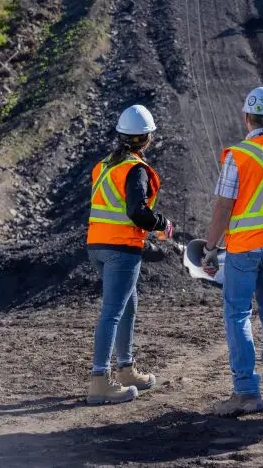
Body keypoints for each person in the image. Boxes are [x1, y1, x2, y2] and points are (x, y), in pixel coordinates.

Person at [203, 87, 263, 417]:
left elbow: (223, 208)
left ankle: (245, 393)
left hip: (245, 249)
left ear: (246, 119)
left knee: (238, 315)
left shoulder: (239, 155)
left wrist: (210, 247)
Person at [86, 104, 174, 405]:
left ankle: (125, 369)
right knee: (112, 312)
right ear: (147, 138)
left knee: (127, 307)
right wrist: (162, 223)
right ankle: (100, 380)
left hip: (97, 245)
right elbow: (137, 212)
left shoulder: (104, 166)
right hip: (120, 249)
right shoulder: (135, 169)